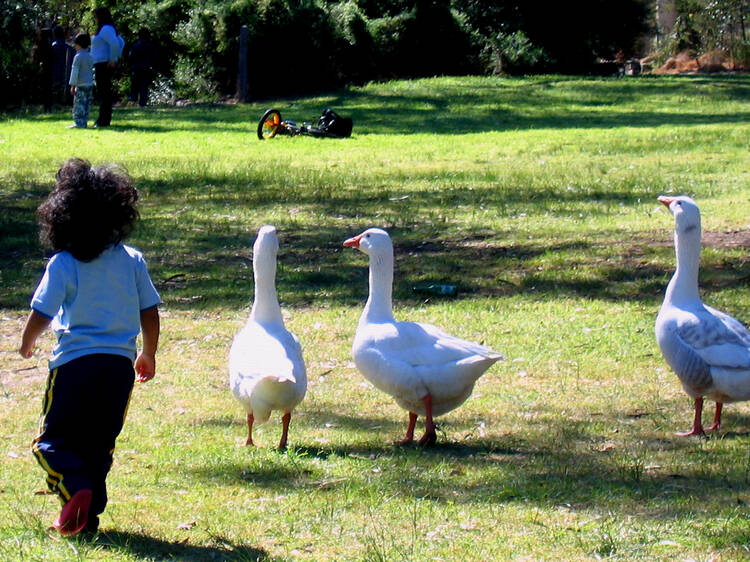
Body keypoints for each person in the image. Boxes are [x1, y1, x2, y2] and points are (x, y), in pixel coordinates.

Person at [18, 158, 161, 536]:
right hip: (118, 369)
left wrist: (27, 342)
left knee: (51, 444)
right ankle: (84, 520)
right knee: (98, 447)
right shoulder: (132, 260)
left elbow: (42, 312)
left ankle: (74, 489)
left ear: (61, 218)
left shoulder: (64, 263)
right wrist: (148, 352)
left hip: (74, 367)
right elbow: (150, 310)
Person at [90, 7, 124, 127]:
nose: (95, 19)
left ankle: (103, 120)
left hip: (103, 63)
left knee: (104, 92)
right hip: (101, 63)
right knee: (104, 92)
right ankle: (103, 119)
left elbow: (116, 43)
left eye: (96, 16)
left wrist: (113, 59)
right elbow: (121, 42)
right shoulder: (108, 28)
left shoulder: (105, 29)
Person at [68, 34, 94, 128]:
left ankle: (79, 123)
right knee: (87, 104)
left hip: (80, 84)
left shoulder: (78, 57)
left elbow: (75, 72)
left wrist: (72, 85)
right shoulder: (90, 56)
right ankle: (85, 121)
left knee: (79, 104)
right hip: (90, 83)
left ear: (79, 44)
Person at [128, 29, 157, 107]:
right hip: (146, 68)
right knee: (144, 87)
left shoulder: (135, 46)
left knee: (134, 86)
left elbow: (130, 57)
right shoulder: (151, 46)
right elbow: (154, 58)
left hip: (136, 68)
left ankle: (132, 102)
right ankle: (142, 104)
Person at [51, 26, 75, 106]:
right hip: (67, 73)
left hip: (54, 72)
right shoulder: (70, 48)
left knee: (55, 88)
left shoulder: (52, 47)